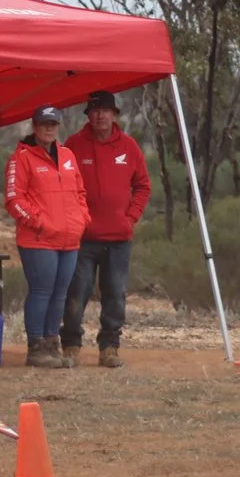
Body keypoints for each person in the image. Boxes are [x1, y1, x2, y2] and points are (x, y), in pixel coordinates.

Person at [60, 90, 152, 369]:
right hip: (84, 239)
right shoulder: (74, 145)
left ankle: (109, 347)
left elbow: (143, 186)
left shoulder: (129, 147)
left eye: (105, 111)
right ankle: (71, 345)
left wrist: (130, 217)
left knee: (115, 293)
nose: (100, 115)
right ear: (88, 115)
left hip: (119, 239)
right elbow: (62, 183)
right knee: (77, 290)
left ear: (115, 115)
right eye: (95, 111)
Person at [3, 106, 88, 369]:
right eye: (44, 124)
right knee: (42, 291)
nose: (50, 128)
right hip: (38, 240)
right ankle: (36, 347)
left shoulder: (68, 155)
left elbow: (80, 192)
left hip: (69, 238)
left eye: (54, 124)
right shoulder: (22, 158)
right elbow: (13, 199)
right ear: (35, 126)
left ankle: (53, 345)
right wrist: (39, 222)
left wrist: (82, 219)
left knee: (60, 293)